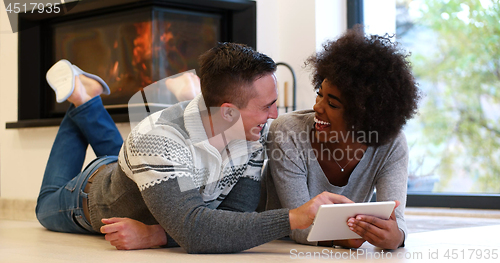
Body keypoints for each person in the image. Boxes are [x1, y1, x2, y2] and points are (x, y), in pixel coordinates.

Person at [35, 43, 352, 253]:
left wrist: (157, 234)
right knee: (44, 205)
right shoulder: (157, 139)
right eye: (268, 106)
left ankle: (88, 101)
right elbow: (196, 232)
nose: (275, 116)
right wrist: (294, 217)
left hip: (147, 170)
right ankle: (83, 99)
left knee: (140, 158)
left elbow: (233, 214)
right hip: (91, 197)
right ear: (227, 111)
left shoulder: (253, 135)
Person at [261, 28, 421, 250]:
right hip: (275, 247)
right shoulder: (288, 132)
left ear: (365, 115)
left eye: (333, 104)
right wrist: (342, 238)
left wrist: (396, 237)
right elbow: (297, 225)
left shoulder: (391, 144)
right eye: (320, 94)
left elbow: (395, 220)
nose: (317, 107)